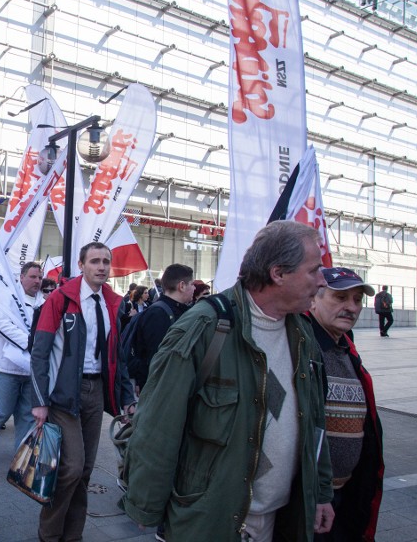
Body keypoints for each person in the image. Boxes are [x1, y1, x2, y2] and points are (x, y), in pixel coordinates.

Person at [121, 221, 334, 541]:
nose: (322, 280)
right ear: (278, 273)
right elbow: (158, 422)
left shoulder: (302, 333)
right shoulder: (207, 325)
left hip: (285, 515)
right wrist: (146, 503)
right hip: (214, 518)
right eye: (314, 270)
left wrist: (320, 490)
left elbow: (314, 420)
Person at [30, 242, 136, 542]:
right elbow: (39, 352)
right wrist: (39, 401)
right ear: (81, 264)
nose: (101, 266)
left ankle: (72, 536)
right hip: (63, 394)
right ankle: (49, 533)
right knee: (72, 468)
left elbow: (117, 357)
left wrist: (126, 397)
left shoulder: (112, 302)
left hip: (96, 391)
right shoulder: (60, 299)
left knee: (85, 471)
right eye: (94, 261)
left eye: (105, 261)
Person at [308, 267, 384, 542]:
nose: (351, 307)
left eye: (356, 300)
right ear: (313, 300)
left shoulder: (344, 348)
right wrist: (316, 492)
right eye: (340, 297)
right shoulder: (303, 349)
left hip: (344, 494)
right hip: (312, 500)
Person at [0, 261, 44, 449]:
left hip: (31, 369)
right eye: (32, 277)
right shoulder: (8, 296)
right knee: (0, 411)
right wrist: (32, 343)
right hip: (7, 366)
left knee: (26, 415)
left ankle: (20, 456)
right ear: (21, 277)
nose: (37, 281)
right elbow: (3, 326)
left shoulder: (43, 301)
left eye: (39, 277)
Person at [127, 264, 194, 395]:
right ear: (182, 286)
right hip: (161, 390)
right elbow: (155, 357)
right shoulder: (158, 314)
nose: (194, 288)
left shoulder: (180, 310)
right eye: (192, 284)